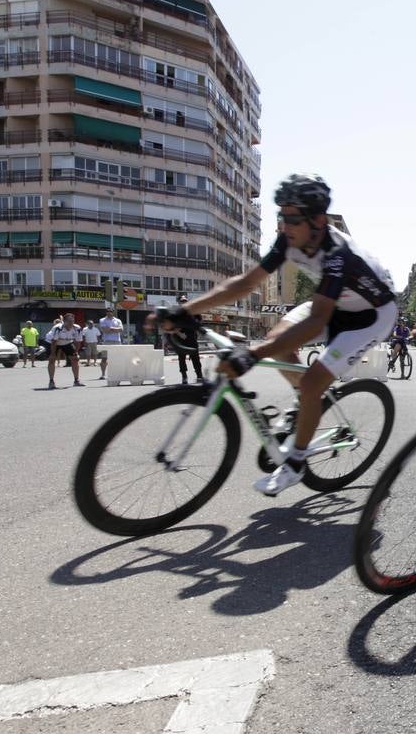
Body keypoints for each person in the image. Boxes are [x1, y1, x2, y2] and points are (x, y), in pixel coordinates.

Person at [164, 173, 397, 497]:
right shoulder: (289, 239)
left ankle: (296, 463)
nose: (283, 225)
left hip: (372, 315)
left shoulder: (338, 256)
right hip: (335, 304)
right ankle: (306, 406)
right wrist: (187, 309)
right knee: (279, 342)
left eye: (291, 218)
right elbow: (245, 283)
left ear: (317, 220)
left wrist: (253, 354)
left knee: (314, 380)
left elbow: (316, 323)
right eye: (280, 216)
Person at [170, 295, 204, 384]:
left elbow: (200, 322)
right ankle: (184, 376)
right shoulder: (176, 313)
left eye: (185, 301)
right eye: (182, 301)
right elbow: (171, 327)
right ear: (179, 302)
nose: (184, 302)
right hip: (181, 338)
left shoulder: (194, 311)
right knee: (181, 358)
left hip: (192, 338)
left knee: (195, 358)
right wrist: (179, 334)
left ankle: (199, 375)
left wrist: (198, 328)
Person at [45, 313, 85, 389]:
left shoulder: (77, 328)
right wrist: (53, 354)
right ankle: (51, 381)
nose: (71, 323)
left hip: (67, 342)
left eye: (72, 321)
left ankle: (76, 380)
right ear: (64, 321)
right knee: (52, 360)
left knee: (75, 359)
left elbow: (78, 342)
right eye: (69, 321)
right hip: (53, 342)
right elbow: (54, 342)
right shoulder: (58, 328)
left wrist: (76, 353)